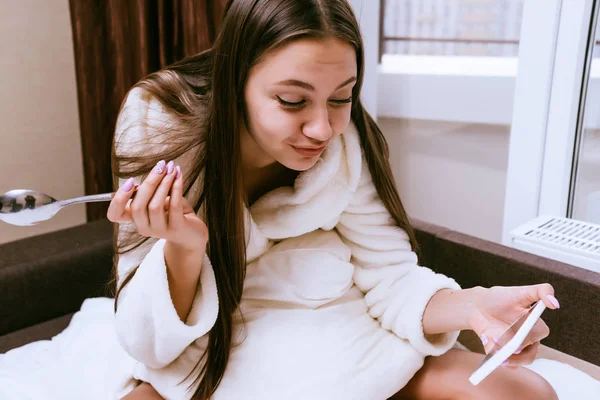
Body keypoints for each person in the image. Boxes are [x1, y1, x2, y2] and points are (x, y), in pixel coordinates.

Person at [107, 1, 560, 399]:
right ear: (234, 80)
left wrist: (474, 305)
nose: (322, 129)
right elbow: (146, 339)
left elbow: (390, 276)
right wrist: (184, 249)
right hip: (215, 341)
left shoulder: (347, 140)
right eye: (291, 100)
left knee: (525, 393)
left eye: (342, 97)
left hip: (338, 326)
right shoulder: (161, 121)